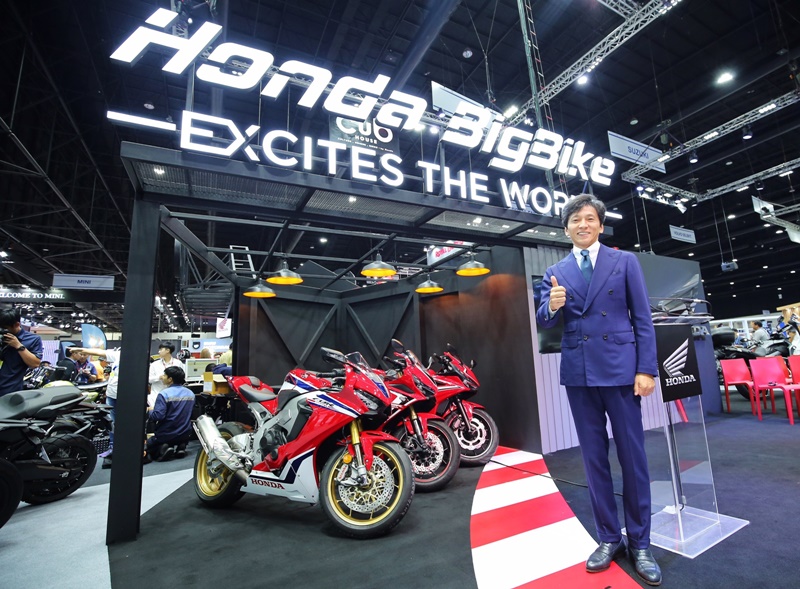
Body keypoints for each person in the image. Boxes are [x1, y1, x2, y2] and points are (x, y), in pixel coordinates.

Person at [536, 194, 661, 586]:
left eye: (590, 218)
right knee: (594, 461)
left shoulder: (624, 262)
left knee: (633, 459)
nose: (583, 225)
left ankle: (640, 542)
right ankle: (609, 537)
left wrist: (646, 368)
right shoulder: (554, 271)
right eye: (575, 220)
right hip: (580, 374)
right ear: (566, 229)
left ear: (601, 225)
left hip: (622, 372)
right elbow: (544, 321)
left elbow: (642, 317)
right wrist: (552, 306)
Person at [69, 345, 121, 469]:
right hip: (112, 395)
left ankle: (123, 449)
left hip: (126, 396)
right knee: (112, 423)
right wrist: (80, 350)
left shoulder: (137, 359)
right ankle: (112, 448)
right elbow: (99, 352)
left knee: (123, 423)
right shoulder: (118, 355)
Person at [145, 366, 195, 461]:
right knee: (177, 436)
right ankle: (181, 445)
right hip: (185, 433)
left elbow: (158, 416)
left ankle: (163, 448)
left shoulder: (164, 394)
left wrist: (149, 411)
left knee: (149, 445)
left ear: (170, 379)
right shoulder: (190, 393)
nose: (162, 377)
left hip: (166, 433)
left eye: (164, 375)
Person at [0, 307, 43, 397]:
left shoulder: (32, 339)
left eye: (5, 328)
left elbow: (35, 363)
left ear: (17, 324)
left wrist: (18, 346)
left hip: (9, 390)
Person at [147, 342, 185, 409]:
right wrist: (159, 377)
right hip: (157, 394)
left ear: (168, 350)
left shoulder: (178, 363)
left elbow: (182, 377)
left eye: (161, 349)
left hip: (173, 395)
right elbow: (148, 379)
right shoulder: (154, 364)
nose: (158, 352)